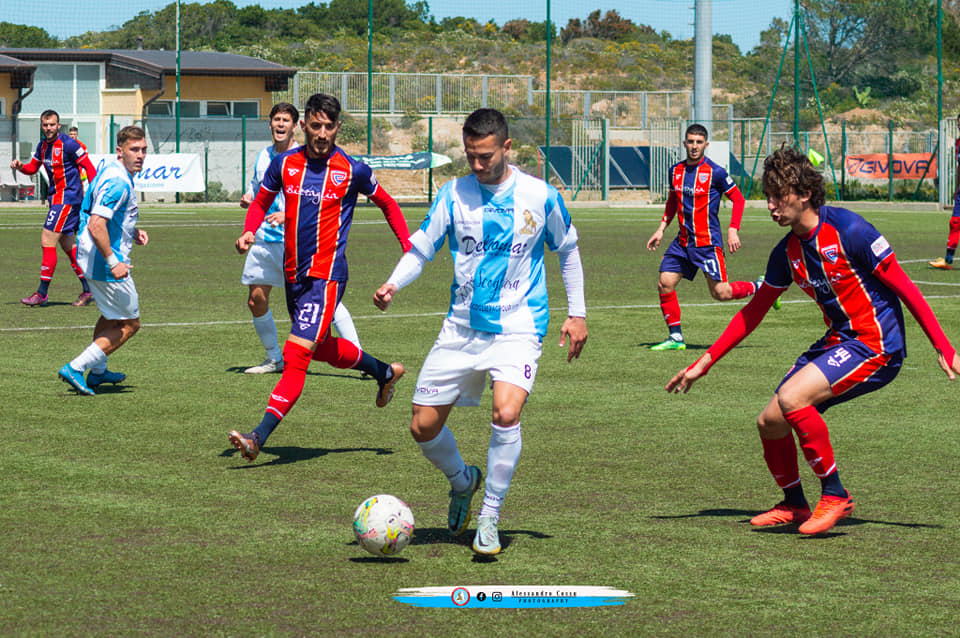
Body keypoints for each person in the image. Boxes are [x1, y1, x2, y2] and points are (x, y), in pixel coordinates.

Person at [666, 145, 960, 536]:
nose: (770, 205)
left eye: (777, 196)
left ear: (804, 193)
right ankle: (794, 503)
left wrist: (945, 347)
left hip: (876, 344)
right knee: (770, 420)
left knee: (792, 399)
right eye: (767, 196)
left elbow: (907, 290)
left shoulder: (851, 231)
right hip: (840, 340)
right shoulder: (786, 252)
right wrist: (705, 362)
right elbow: (752, 312)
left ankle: (836, 494)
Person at [374, 108, 588, 555]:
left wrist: (578, 312)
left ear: (507, 147)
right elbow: (422, 247)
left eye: (486, 155)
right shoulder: (453, 194)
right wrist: (394, 281)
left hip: (519, 325)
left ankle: (489, 515)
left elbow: (567, 250)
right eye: (470, 155)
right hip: (462, 327)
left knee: (506, 413)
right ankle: (463, 480)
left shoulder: (540, 195)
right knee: (421, 426)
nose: (477, 164)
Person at [228, 93, 412, 461]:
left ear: (338, 127)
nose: (322, 133)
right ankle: (384, 372)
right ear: (304, 125)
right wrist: (250, 229)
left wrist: (409, 245)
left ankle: (258, 436)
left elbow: (388, 203)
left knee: (296, 354)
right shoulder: (284, 164)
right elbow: (262, 201)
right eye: (316, 125)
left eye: (330, 126)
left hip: (326, 278)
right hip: (294, 275)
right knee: (322, 348)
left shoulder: (352, 169)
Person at [239, 102, 365, 375]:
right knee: (256, 299)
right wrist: (250, 203)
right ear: (270, 124)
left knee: (327, 306)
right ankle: (274, 358)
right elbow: (259, 194)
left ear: (297, 126)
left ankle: (358, 355)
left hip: (298, 242)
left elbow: (316, 199)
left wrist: (289, 214)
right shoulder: (264, 157)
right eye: (276, 119)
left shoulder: (307, 158)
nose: (280, 124)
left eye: (286, 120)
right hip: (265, 240)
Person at [646, 123, 762, 351]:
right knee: (665, 282)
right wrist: (661, 228)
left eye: (699, 142)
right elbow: (673, 202)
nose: (694, 146)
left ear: (706, 145)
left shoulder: (715, 172)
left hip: (707, 244)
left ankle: (760, 286)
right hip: (682, 242)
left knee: (721, 293)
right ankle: (676, 338)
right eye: (690, 141)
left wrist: (732, 229)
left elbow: (738, 199)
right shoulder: (675, 171)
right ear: (684, 143)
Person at [58, 126, 149, 395]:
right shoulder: (119, 182)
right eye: (134, 150)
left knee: (110, 316)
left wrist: (132, 232)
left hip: (90, 255)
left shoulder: (110, 170)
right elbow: (98, 224)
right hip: (103, 261)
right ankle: (75, 367)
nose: (141, 155)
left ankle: (98, 372)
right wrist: (113, 261)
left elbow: (101, 216)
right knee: (130, 324)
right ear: (120, 151)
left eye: (144, 149)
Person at [11, 110, 98, 307]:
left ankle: (41, 293)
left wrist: (94, 195)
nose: (48, 128)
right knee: (67, 245)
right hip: (57, 199)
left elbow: (89, 168)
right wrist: (20, 166)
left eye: (52, 124)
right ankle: (88, 289)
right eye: (45, 125)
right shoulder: (42, 146)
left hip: (68, 199)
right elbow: (33, 168)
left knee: (47, 238)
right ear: (41, 126)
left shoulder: (69, 144)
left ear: (59, 125)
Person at [929, 113, 960, 270]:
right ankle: (948, 261)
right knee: (955, 223)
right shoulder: (958, 143)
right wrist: (956, 188)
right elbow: (959, 168)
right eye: (959, 124)